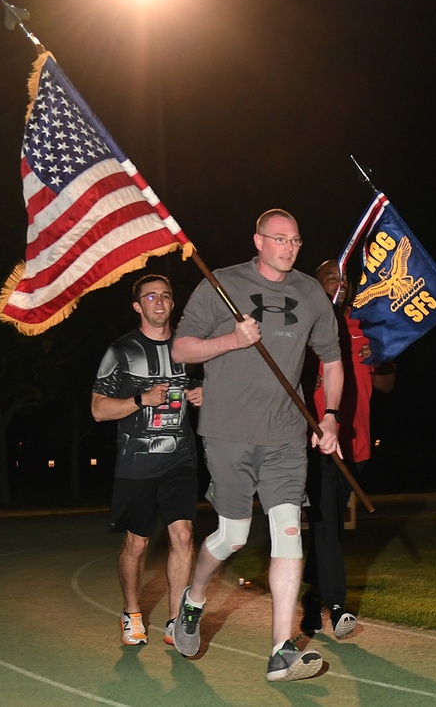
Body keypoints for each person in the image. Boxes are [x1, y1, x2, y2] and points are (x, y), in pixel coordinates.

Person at [170, 209, 342, 682]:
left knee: (290, 531)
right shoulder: (222, 283)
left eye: (296, 240)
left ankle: (281, 649)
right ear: (259, 240)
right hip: (227, 431)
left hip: (286, 435)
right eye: (280, 239)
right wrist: (231, 340)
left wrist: (329, 416)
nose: (289, 247)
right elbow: (181, 349)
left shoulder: (310, 293)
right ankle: (193, 600)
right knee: (233, 536)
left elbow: (332, 360)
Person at [91, 274, 204, 647]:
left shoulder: (188, 348)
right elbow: (98, 409)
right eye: (150, 297)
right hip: (136, 464)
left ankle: (174, 621)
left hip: (181, 460)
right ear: (137, 306)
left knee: (183, 535)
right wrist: (140, 401)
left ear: (173, 304)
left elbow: (208, 385)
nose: (159, 302)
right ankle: (132, 613)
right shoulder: (121, 351)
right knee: (137, 544)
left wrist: (205, 393)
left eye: (166, 297)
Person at [300, 260, 395, 640]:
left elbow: (386, 385)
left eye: (343, 280)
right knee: (325, 523)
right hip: (320, 441)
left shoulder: (363, 329)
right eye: (329, 279)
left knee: (331, 524)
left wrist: (384, 354)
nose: (338, 285)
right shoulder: (308, 330)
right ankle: (338, 607)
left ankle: (312, 595)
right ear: (317, 286)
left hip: (356, 443)